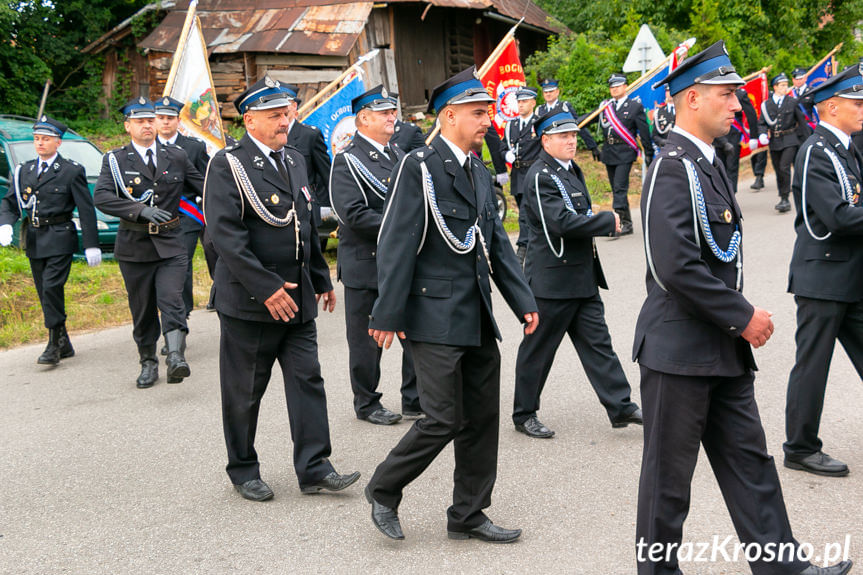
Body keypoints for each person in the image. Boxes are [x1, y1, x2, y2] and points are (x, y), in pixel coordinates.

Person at [635, 41, 852, 575]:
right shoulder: (672, 166)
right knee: (668, 484)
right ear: (691, 100)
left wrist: (733, 323)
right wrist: (743, 315)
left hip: (719, 349)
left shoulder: (708, 163)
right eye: (728, 96)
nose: (739, 105)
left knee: (751, 465)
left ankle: (785, 568)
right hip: (679, 351)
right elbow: (674, 266)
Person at [364, 67, 539, 543]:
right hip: (432, 315)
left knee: (482, 419)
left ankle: (468, 513)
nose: (487, 120)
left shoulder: (478, 170)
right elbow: (396, 241)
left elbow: (495, 243)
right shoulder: (418, 165)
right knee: (442, 418)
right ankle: (383, 488)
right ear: (449, 116)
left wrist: (523, 300)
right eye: (478, 113)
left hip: (475, 315)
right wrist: (387, 312)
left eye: (487, 112)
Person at [204, 77, 359, 502]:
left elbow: (304, 226)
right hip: (252, 300)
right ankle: (243, 469)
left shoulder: (293, 160)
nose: (284, 121)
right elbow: (225, 235)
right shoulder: (228, 164)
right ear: (249, 119)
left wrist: (321, 278)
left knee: (308, 379)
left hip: (298, 297)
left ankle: (314, 467)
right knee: (245, 390)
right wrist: (266, 287)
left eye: (287, 113)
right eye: (274, 116)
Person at [511, 109, 641, 438]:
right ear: (546, 140)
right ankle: (524, 413)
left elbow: (575, 214)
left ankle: (621, 405)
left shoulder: (570, 170)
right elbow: (560, 223)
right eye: (563, 136)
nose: (571, 141)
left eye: (572, 135)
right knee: (538, 351)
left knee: (599, 345)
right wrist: (605, 220)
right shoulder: (540, 175)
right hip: (551, 282)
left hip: (581, 278)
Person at [784, 65, 863, 479]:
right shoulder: (817, 149)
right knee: (813, 366)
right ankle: (799, 447)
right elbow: (838, 216)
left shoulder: (848, 147)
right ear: (832, 107)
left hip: (851, 277)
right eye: (857, 102)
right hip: (824, 279)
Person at [328, 85, 420, 425]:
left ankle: (415, 397)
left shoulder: (397, 154)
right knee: (367, 340)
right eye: (384, 112)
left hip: (401, 262)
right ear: (363, 118)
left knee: (413, 329)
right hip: (366, 263)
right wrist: (401, 225)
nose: (391, 117)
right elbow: (351, 213)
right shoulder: (347, 159)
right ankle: (367, 402)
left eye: (392, 111)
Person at [94, 98, 201, 388]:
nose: (147, 125)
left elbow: (202, 184)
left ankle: (176, 357)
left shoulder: (176, 155)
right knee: (142, 310)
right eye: (139, 121)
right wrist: (140, 210)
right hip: (135, 246)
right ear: (128, 126)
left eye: (150, 120)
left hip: (171, 242)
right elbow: (102, 197)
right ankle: (148, 361)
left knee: (172, 298)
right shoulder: (115, 160)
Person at [0, 116, 101, 365]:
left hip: (60, 236)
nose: (40, 144)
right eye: (36, 139)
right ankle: (64, 341)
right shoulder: (25, 170)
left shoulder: (70, 170)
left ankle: (53, 344)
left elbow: (85, 208)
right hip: (34, 239)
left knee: (51, 287)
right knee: (44, 292)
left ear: (58, 142)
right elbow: (11, 201)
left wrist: (91, 243)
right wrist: (4, 222)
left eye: (45, 139)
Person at [154, 96, 215, 321]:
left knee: (181, 264)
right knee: (161, 267)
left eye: (170, 118)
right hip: (156, 218)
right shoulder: (148, 147)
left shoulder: (194, 147)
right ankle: (170, 313)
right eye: (160, 118)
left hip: (187, 217)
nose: (165, 122)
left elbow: (205, 183)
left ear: (178, 120)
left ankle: (181, 316)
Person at [585, 73, 654, 235]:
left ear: (625, 87)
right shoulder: (605, 107)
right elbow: (584, 121)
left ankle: (618, 222)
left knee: (619, 188)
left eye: (617, 86)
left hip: (625, 152)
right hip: (608, 153)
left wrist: (648, 153)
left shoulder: (634, 106)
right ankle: (627, 221)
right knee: (616, 188)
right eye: (612, 86)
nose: (614, 89)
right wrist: (592, 146)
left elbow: (644, 131)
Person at [503, 87, 541, 262]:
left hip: (533, 171)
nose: (521, 105)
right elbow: (502, 146)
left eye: (524, 101)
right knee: (524, 208)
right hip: (518, 173)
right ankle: (535, 241)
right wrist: (506, 154)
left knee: (525, 211)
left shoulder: (539, 123)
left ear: (533, 103)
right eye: (519, 101)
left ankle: (523, 247)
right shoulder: (511, 125)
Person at [762, 73, 808, 213]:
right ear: (775, 87)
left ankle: (785, 198)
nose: (785, 88)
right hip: (775, 141)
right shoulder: (767, 104)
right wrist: (762, 133)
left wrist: (807, 141)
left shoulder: (792, 102)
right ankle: (782, 195)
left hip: (790, 139)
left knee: (784, 167)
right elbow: (761, 123)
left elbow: (802, 122)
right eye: (782, 85)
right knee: (778, 169)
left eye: (786, 85)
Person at [285, 86, 332, 223]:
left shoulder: (310, 135)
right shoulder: (269, 136)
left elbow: (325, 173)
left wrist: (324, 204)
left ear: (294, 106)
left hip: (308, 205)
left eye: (285, 103)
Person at [714, 87, 761, 193]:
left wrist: (753, 136)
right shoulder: (715, 93)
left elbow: (751, 114)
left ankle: (731, 195)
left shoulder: (739, 94)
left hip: (733, 135)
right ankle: (722, 194)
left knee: (732, 167)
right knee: (719, 168)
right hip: (718, 136)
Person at [535, 78, 599, 153]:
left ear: (557, 92)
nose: (548, 94)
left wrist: (592, 146)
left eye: (551, 91)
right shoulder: (539, 110)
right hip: (545, 149)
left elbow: (578, 125)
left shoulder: (564, 107)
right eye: (545, 92)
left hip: (562, 148)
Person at [791, 66, 817, 140]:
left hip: (807, 126)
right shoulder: (790, 93)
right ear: (793, 80)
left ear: (805, 78)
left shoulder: (812, 91)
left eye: (801, 79)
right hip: (793, 128)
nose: (798, 81)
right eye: (796, 79)